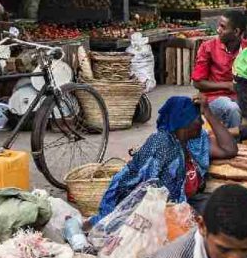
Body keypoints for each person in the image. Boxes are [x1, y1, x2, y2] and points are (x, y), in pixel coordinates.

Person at [90, 96, 238, 225]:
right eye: (198, 118)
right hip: (153, 208)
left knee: (226, 207)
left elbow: (229, 149)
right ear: (185, 123)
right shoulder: (161, 143)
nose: (201, 121)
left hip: (185, 202)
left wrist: (208, 112)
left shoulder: (195, 142)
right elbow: (148, 189)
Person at [192, 11, 247, 129]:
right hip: (214, 98)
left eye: (223, 27)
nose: (218, 30)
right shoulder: (208, 47)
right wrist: (228, 85)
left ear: (236, 32)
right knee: (232, 109)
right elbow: (197, 82)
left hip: (241, 97)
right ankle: (233, 145)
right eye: (219, 26)